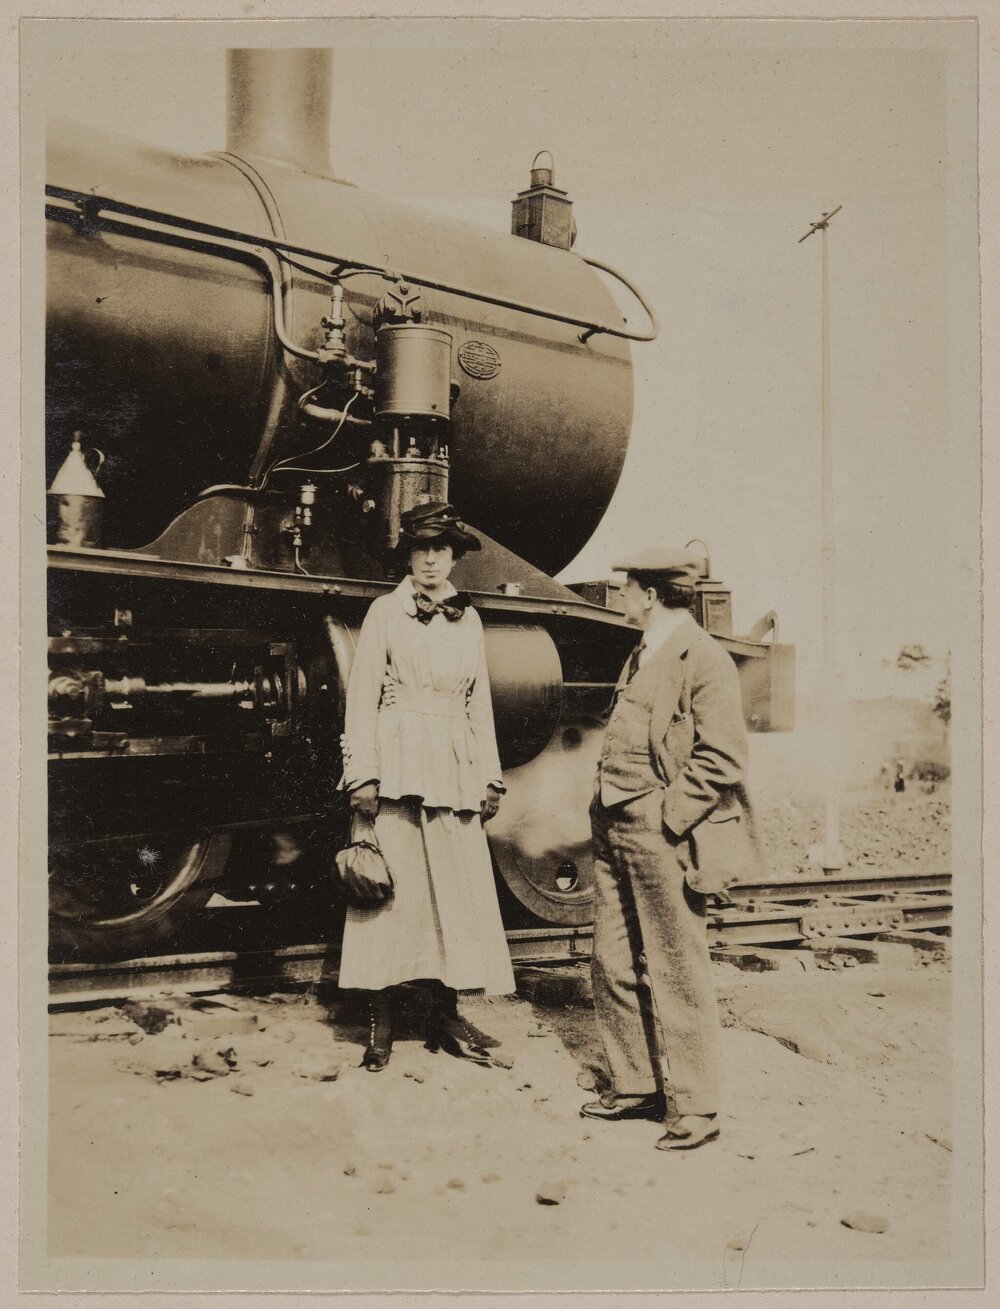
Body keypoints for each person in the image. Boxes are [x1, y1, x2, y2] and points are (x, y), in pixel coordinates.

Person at [582, 548, 761, 1150]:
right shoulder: (645, 650)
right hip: (612, 822)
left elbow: (724, 755)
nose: (622, 598)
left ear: (651, 595)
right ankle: (636, 1083)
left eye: (627, 589)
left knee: (676, 966)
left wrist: (669, 815)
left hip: (661, 830)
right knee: (612, 957)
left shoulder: (703, 658)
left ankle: (697, 1109)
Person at [338, 500, 515, 1070]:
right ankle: (379, 1022)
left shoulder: (471, 619)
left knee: (452, 895)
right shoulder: (384, 613)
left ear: (455, 558)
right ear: (408, 555)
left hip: (455, 768)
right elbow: (360, 699)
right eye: (422, 549)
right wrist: (361, 773)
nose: (432, 560)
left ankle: (445, 1016)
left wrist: (489, 775)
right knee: (390, 895)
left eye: (442, 550)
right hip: (398, 762)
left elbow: (478, 704)